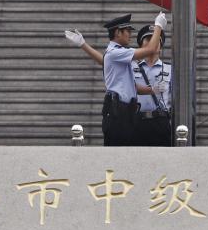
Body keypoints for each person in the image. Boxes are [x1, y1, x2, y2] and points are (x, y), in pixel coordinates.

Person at [64, 12, 166, 146]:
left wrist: (151, 90)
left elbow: (131, 86)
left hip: (125, 112)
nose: (130, 34)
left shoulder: (117, 54)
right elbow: (151, 49)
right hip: (118, 112)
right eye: (127, 31)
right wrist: (158, 25)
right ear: (118, 32)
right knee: (117, 155)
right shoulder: (116, 53)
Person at [132, 25, 172, 146]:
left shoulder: (170, 69)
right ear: (141, 46)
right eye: (148, 39)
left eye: (155, 39)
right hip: (137, 121)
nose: (152, 43)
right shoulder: (131, 67)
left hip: (161, 121)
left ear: (160, 47)